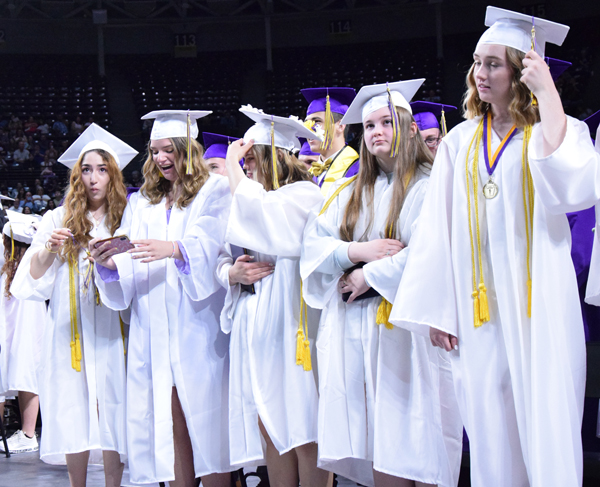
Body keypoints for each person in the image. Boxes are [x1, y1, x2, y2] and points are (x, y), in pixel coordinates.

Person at [390, 7, 600, 487]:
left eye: (494, 64)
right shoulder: (459, 141)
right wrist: (438, 309)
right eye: (477, 63)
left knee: (546, 420)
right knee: (489, 426)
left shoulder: (556, 135)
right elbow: (435, 231)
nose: (480, 75)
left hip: (539, 305)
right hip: (477, 308)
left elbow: (573, 186)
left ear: (521, 73)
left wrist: (548, 94)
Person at [300, 80, 451, 487]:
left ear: (409, 128)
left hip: (405, 330)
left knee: (413, 437)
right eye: (368, 127)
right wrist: (357, 253)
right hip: (355, 332)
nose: (377, 132)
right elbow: (314, 247)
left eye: (386, 122)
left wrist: (369, 275)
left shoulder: (429, 184)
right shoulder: (352, 190)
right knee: (378, 442)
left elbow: (429, 251)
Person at [91, 110, 234, 487]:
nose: (161, 159)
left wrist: (173, 248)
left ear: (189, 150)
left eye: (169, 150)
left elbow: (213, 244)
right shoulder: (143, 203)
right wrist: (108, 262)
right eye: (154, 152)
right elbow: (128, 254)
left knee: (206, 421)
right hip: (152, 326)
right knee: (166, 424)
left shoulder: (214, 190)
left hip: (196, 324)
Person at [11, 123, 137, 487]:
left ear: (113, 174)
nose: (93, 178)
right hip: (70, 327)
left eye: (101, 169)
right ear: (76, 175)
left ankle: (113, 483)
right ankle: (76, 483)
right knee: (71, 404)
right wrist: (50, 249)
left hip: (115, 323)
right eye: (86, 169)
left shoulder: (127, 216)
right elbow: (31, 278)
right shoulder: (58, 217)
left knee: (113, 403)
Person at [220, 105, 327, 487]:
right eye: (244, 162)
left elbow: (261, 216)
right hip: (260, 321)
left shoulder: (304, 194)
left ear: (273, 158)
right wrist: (231, 273)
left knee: (304, 422)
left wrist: (231, 166)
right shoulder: (251, 195)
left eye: (252, 160)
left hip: (295, 320)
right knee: (269, 418)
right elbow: (225, 250)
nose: (246, 168)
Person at [0, 211, 46, 454]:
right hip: (19, 329)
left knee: (24, 371)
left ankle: (28, 434)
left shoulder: (20, 271)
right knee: (23, 371)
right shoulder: (29, 267)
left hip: (23, 329)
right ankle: (27, 433)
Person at [301, 87, 360, 195]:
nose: (309, 128)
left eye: (317, 122)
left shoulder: (358, 170)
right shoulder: (309, 174)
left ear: (341, 126)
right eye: (307, 123)